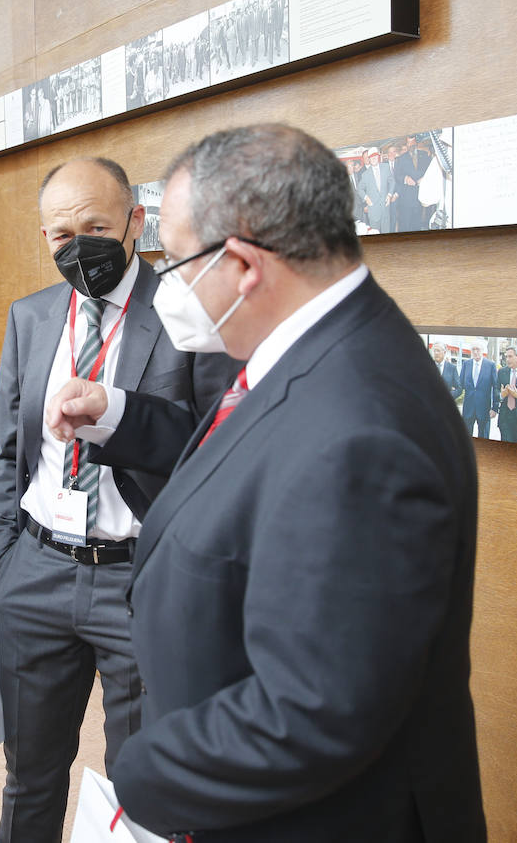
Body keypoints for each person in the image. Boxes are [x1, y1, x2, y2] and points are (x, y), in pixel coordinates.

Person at [46, 124, 485, 840]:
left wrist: (145, 772)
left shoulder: (362, 431)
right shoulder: (312, 348)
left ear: (244, 266)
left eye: (178, 263)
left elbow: (314, 708)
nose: (170, 285)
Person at [0, 157, 238, 843]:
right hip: (35, 571)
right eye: (60, 234)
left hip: (138, 578)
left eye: (96, 225)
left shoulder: (189, 311)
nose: (78, 245)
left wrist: (116, 411)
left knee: (139, 784)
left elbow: (216, 448)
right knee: (29, 775)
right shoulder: (30, 317)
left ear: (135, 221)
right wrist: (4, 558)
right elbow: (8, 451)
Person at [394, 134, 432, 232]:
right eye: (409, 142)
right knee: (405, 226)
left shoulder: (424, 155)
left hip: (419, 197)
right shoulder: (401, 159)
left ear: (416, 142)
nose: (411, 144)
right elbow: (397, 175)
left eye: (413, 141)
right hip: (406, 199)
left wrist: (424, 178)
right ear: (406, 144)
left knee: (417, 224)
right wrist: (405, 179)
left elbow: (430, 171)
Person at [355, 146, 396, 234]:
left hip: (385, 209)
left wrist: (389, 195)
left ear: (378, 157)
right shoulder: (365, 174)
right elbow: (359, 189)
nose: (373, 158)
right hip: (373, 211)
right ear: (369, 159)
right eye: (371, 157)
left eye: (375, 156)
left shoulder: (385, 167)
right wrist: (366, 198)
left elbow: (392, 181)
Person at [460, 342, 496, 438]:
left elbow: (495, 387)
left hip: (484, 409)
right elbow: (461, 384)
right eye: (473, 350)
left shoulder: (491, 365)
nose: (475, 352)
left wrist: (495, 408)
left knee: (483, 438)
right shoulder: (466, 364)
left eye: (478, 349)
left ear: (482, 351)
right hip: (468, 408)